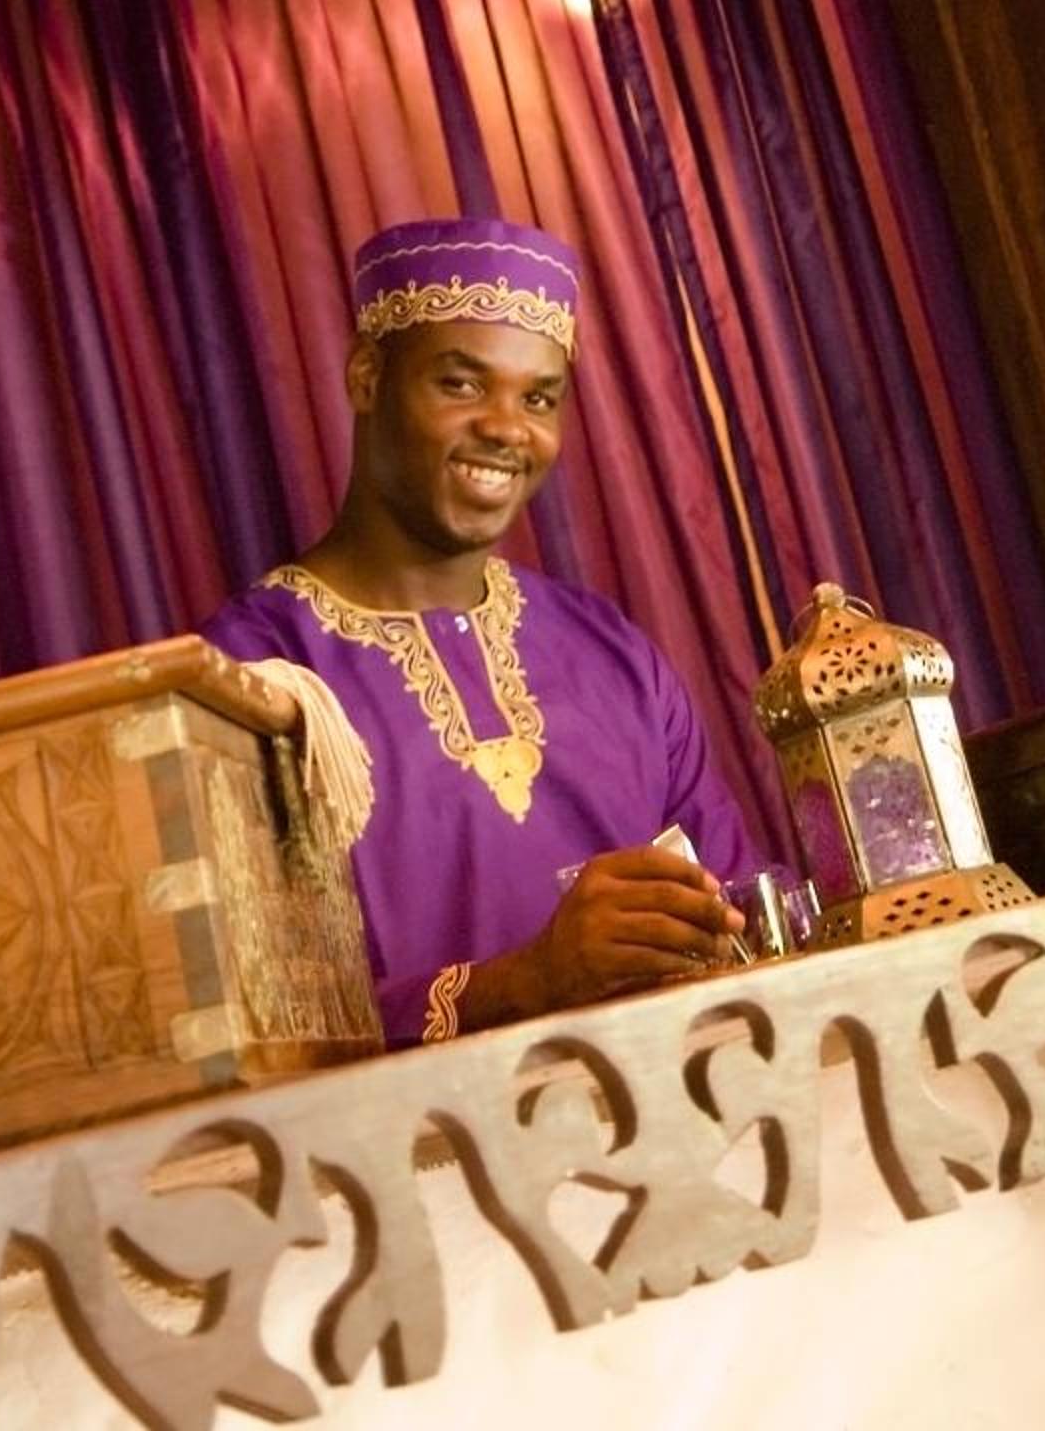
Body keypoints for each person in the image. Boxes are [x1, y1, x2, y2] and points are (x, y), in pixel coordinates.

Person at [204, 216, 759, 1046]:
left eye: (539, 398)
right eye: (462, 384)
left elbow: (743, 910)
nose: (507, 428)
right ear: (367, 377)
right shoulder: (248, 676)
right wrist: (527, 981)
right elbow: (258, 1024)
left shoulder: (612, 655)